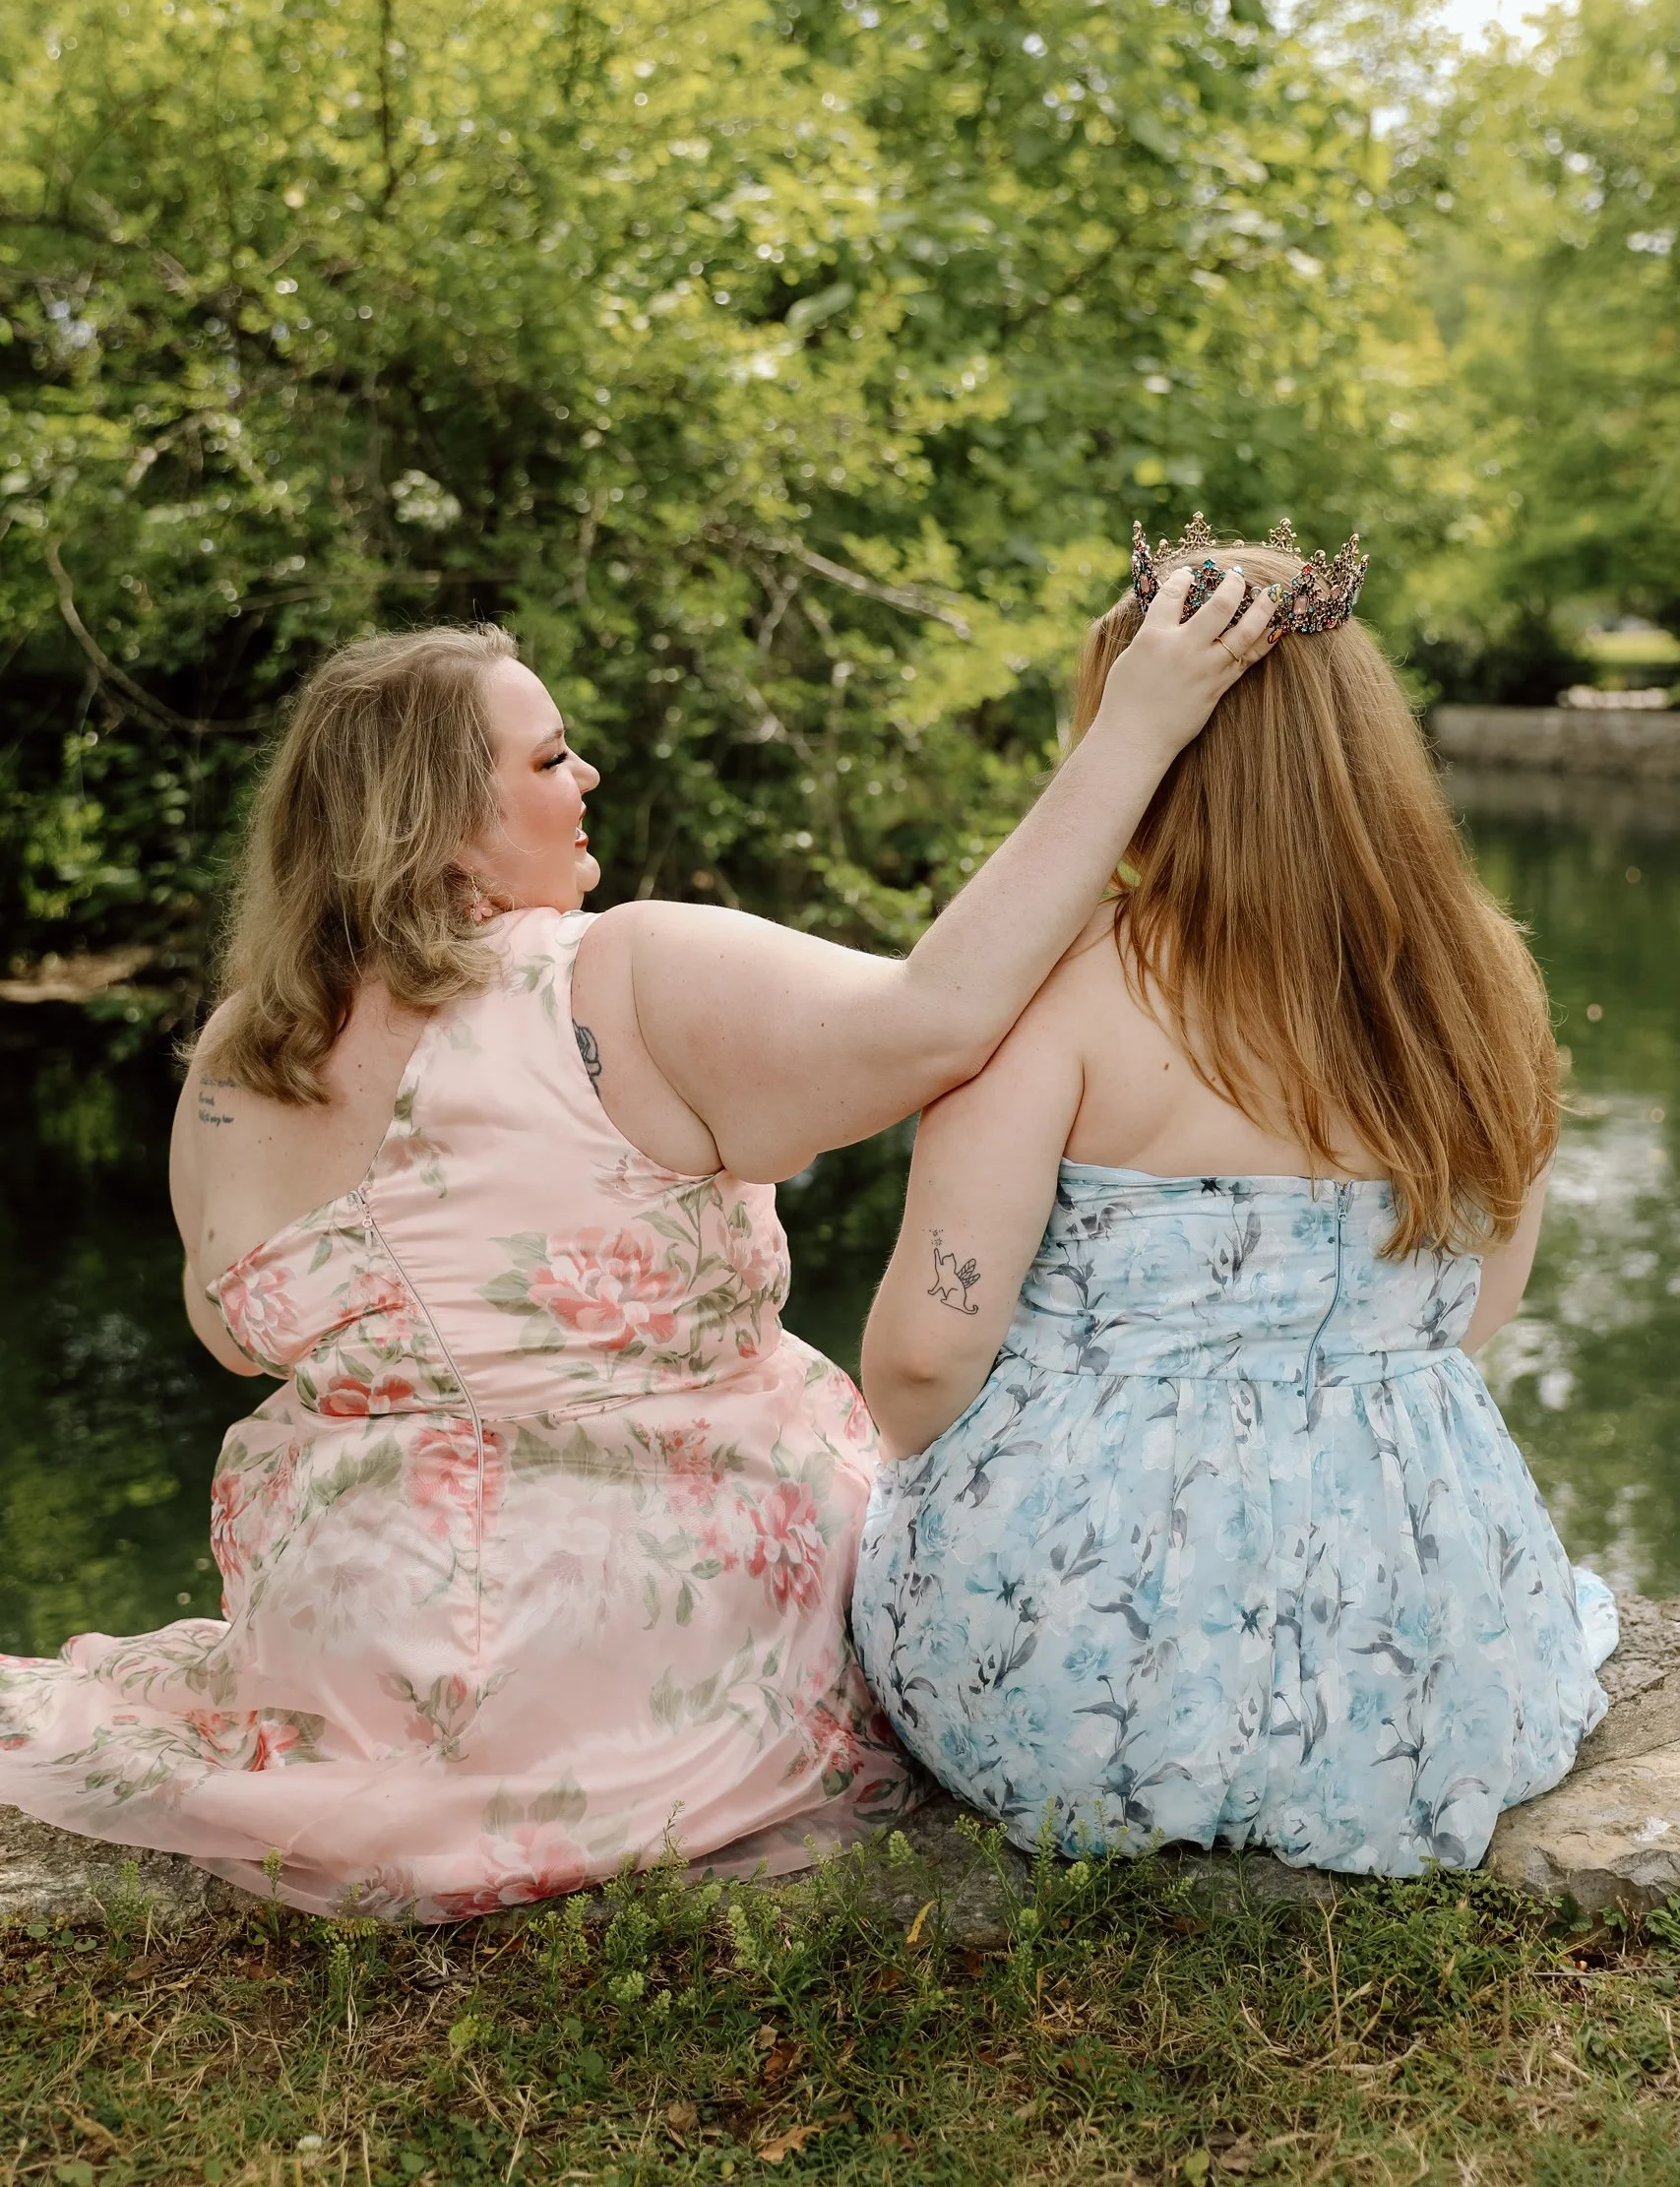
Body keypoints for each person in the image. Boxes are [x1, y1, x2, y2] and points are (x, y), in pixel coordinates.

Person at [0, 565, 1275, 1918]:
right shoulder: (616, 976)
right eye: (549, 756)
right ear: (442, 831)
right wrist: (1136, 729)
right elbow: (935, 1018)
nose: (589, 774)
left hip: (348, 1647)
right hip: (632, 1646)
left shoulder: (240, 1053)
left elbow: (228, 1336)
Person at [852, 518, 1619, 1880]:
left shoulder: (1067, 984)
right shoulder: (1481, 983)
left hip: (1076, 1686)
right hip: (1423, 1678)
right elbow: (1474, 1320)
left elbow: (918, 1363)